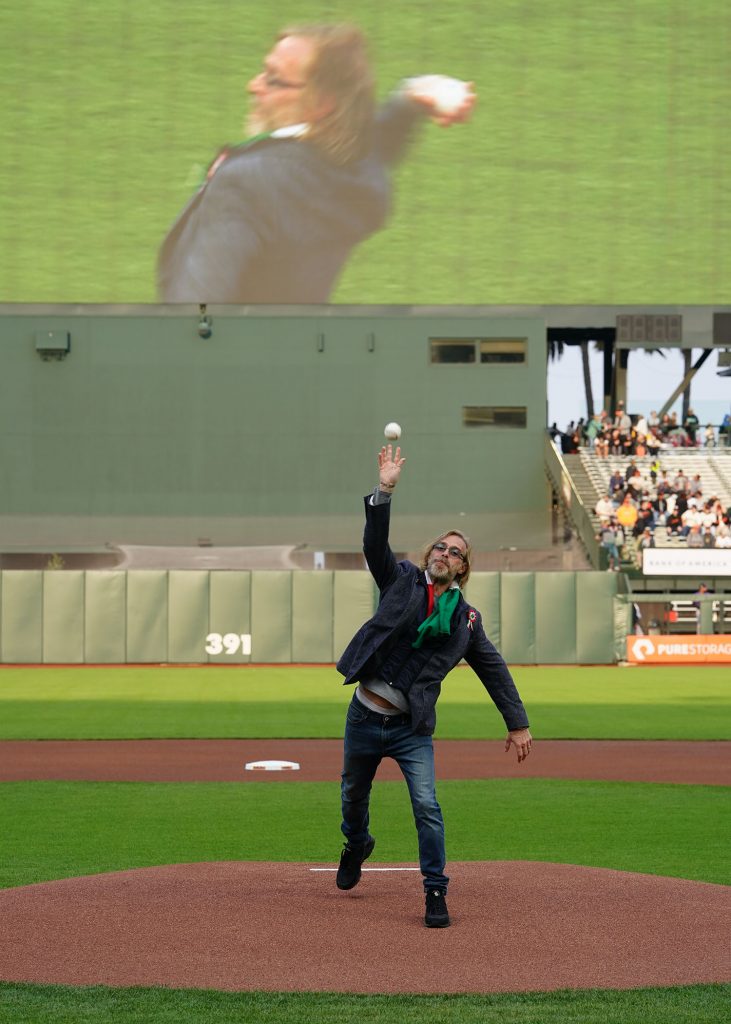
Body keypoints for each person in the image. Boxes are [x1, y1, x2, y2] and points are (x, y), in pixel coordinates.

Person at [335, 444, 532, 928]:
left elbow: (493, 669)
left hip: (411, 728)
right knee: (352, 797)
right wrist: (385, 490)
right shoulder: (400, 580)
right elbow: (373, 546)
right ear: (431, 554)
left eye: (456, 552)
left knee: (427, 806)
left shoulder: (466, 619)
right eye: (441, 547)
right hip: (364, 714)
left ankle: (435, 892)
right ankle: (357, 844)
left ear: (463, 567)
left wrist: (518, 722)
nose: (445, 554)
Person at [158, 24, 475, 303]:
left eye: (273, 80)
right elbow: (376, 147)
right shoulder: (349, 176)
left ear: (322, 104)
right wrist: (415, 94)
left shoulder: (242, 184)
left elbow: (196, 310)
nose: (253, 86)